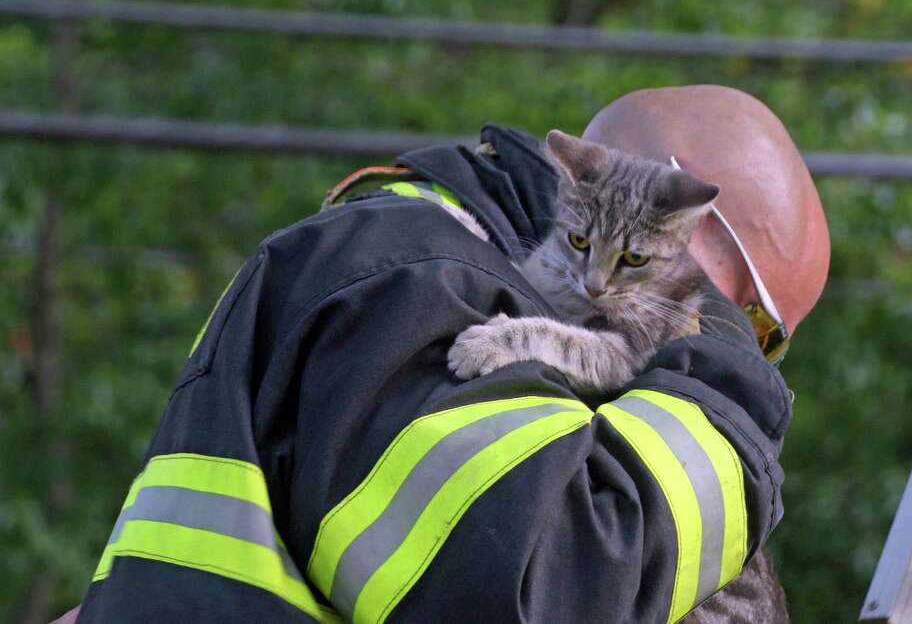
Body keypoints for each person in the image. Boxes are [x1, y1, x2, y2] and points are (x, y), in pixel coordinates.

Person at [62, 85, 829, 623]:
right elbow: (537, 583)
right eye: (762, 327)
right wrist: (730, 381)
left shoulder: (430, 270)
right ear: (685, 213)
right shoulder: (420, 281)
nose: (753, 349)